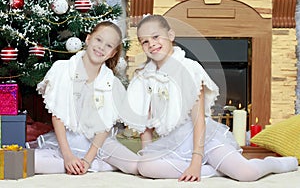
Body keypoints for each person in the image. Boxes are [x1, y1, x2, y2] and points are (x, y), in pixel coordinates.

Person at [119, 15, 298, 182]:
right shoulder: (144, 76)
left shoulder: (189, 69)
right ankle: (216, 171)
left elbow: (198, 119)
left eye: (156, 37)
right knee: (145, 167)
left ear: (171, 35)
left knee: (246, 174)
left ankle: (277, 163)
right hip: (173, 144)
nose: (152, 44)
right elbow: (145, 124)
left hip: (204, 139)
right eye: (145, 41)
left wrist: (196, 162)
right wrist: (148, 153)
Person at [33, 21, 138, 175]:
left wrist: (88, 160)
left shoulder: (113, 84)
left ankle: (91, 164)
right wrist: (68, 156)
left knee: (137, 166)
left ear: (113, 53)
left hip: (99, 144)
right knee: (30, 162)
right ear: (88, 39)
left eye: (109, 46)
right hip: (67, 141)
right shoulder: (62, 69)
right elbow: (58, 116)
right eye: (99, 40)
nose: (101, 47)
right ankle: (90, 165)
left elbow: (104, 127)